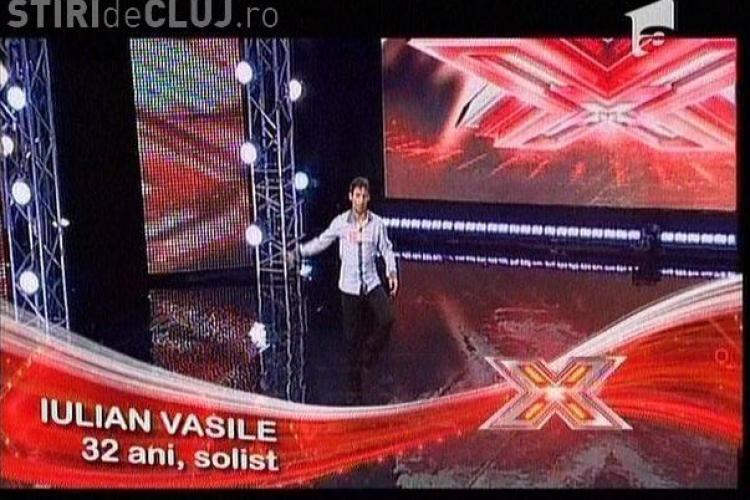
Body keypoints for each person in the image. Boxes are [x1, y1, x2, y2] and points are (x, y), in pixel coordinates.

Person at [288, 177, 398, 403]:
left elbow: (386, 249)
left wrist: (392, 272)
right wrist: (299, 252)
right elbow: (322, 241)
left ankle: (369, 355)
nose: (360, 200)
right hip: (349, 287)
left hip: (371, 282)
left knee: (387, 318)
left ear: (369, 198)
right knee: (351, 340)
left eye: (364, 196)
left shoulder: (377, 224)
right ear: (351, 197)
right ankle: (353, 393)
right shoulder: (340, 223)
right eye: (357, 196)